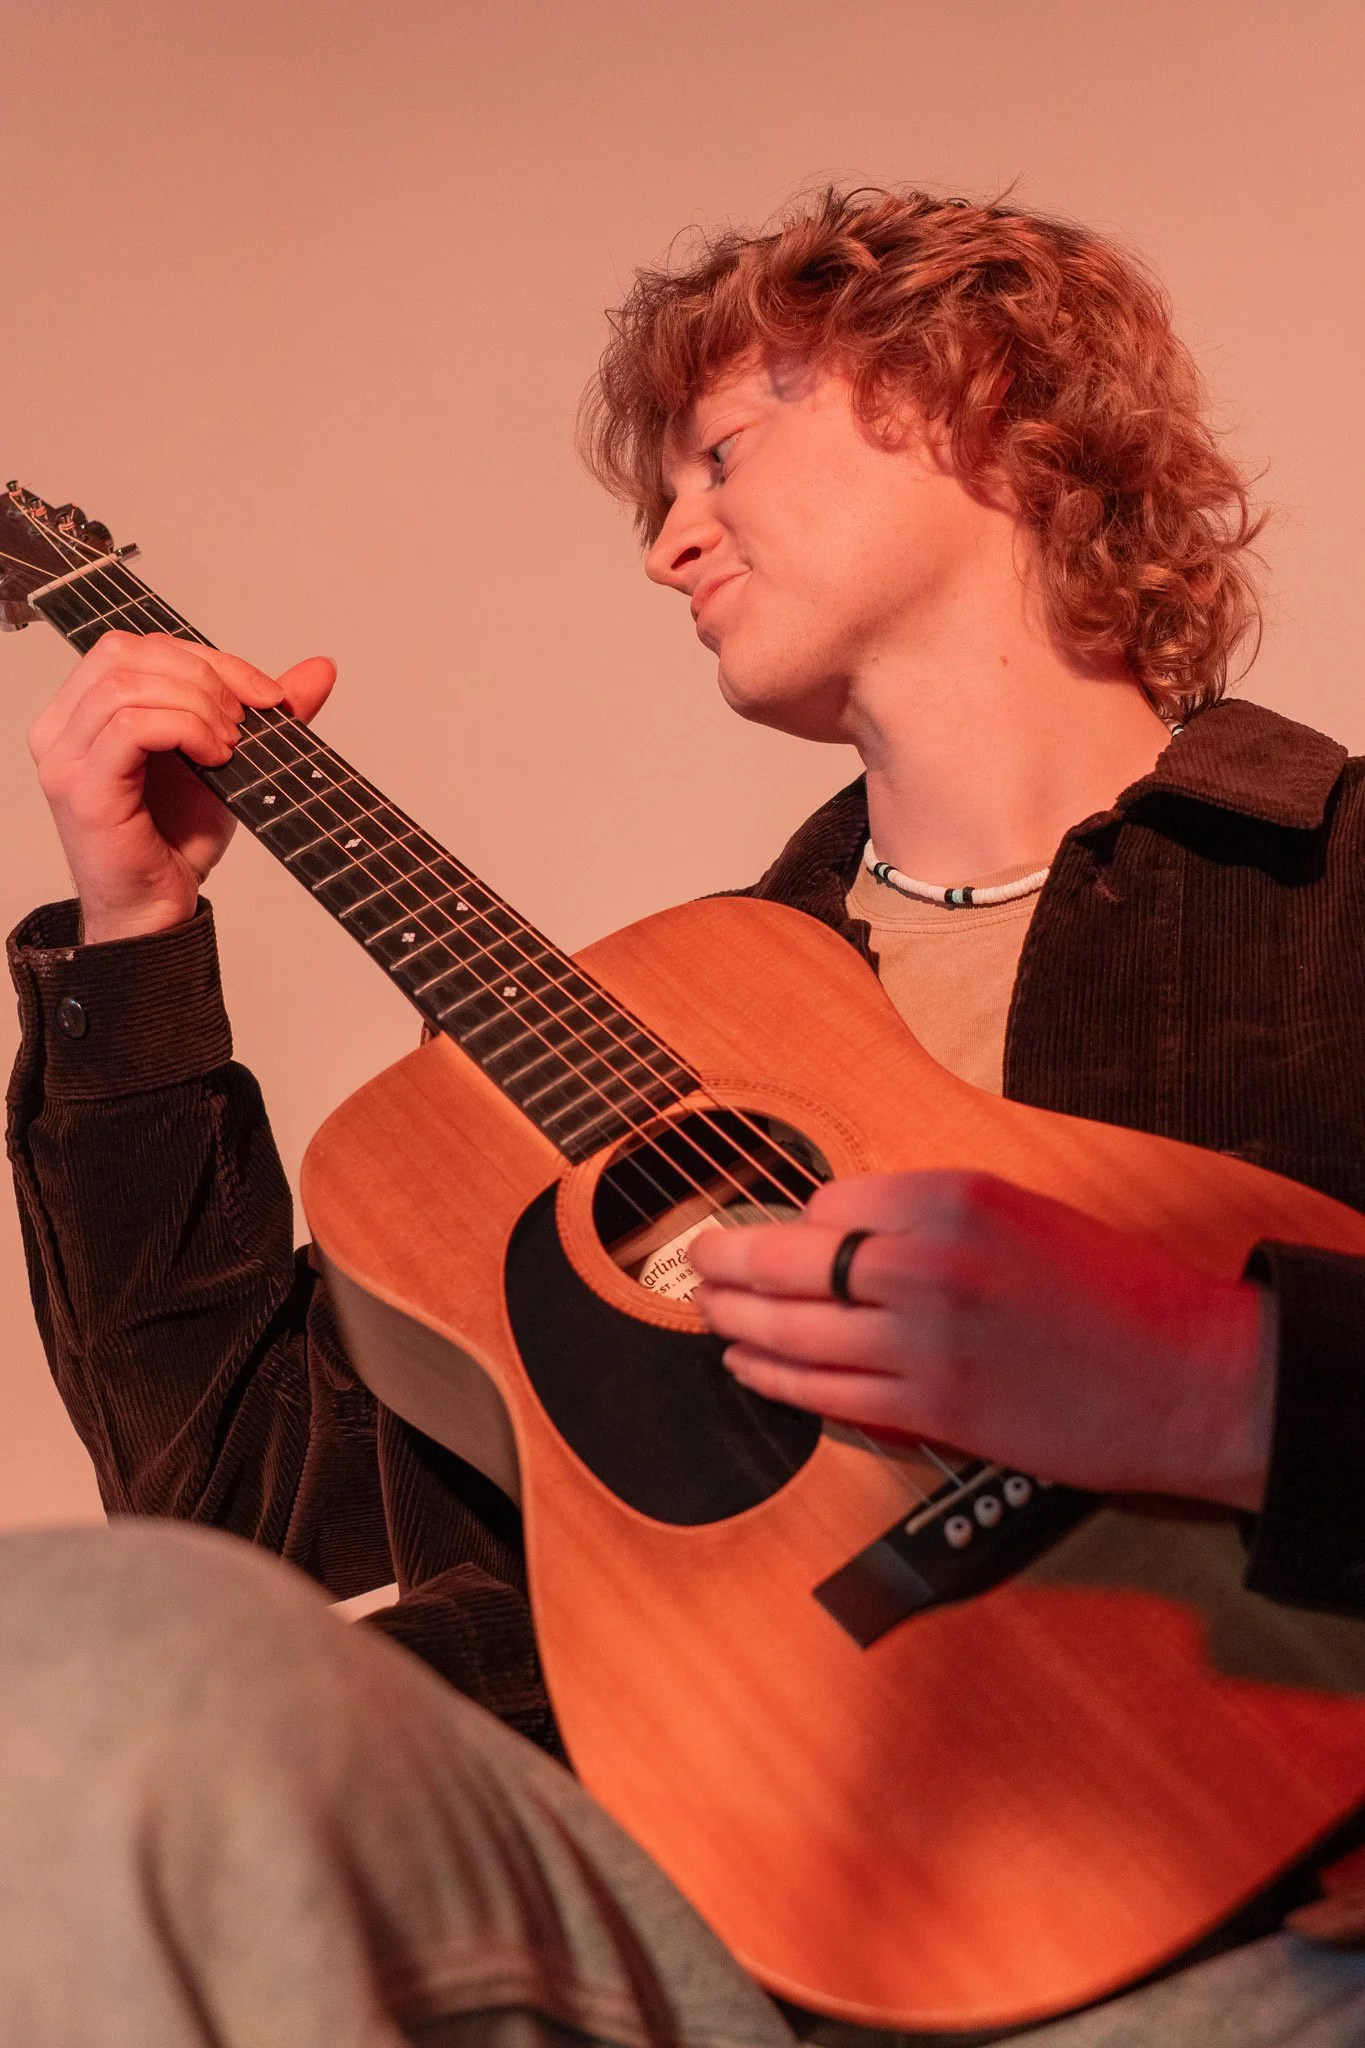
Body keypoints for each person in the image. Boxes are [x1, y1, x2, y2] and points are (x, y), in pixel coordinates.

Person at [7, 187, 1365, 2043]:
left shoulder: (1341, 891)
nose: (668, 545)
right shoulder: (665, 1037)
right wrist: (134, 934)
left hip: (1290, 1893)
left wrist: (1220, 1383)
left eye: (721, 451)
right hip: (694, 1926)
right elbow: (227, 1497)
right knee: (72, 1667)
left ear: (984, 395)